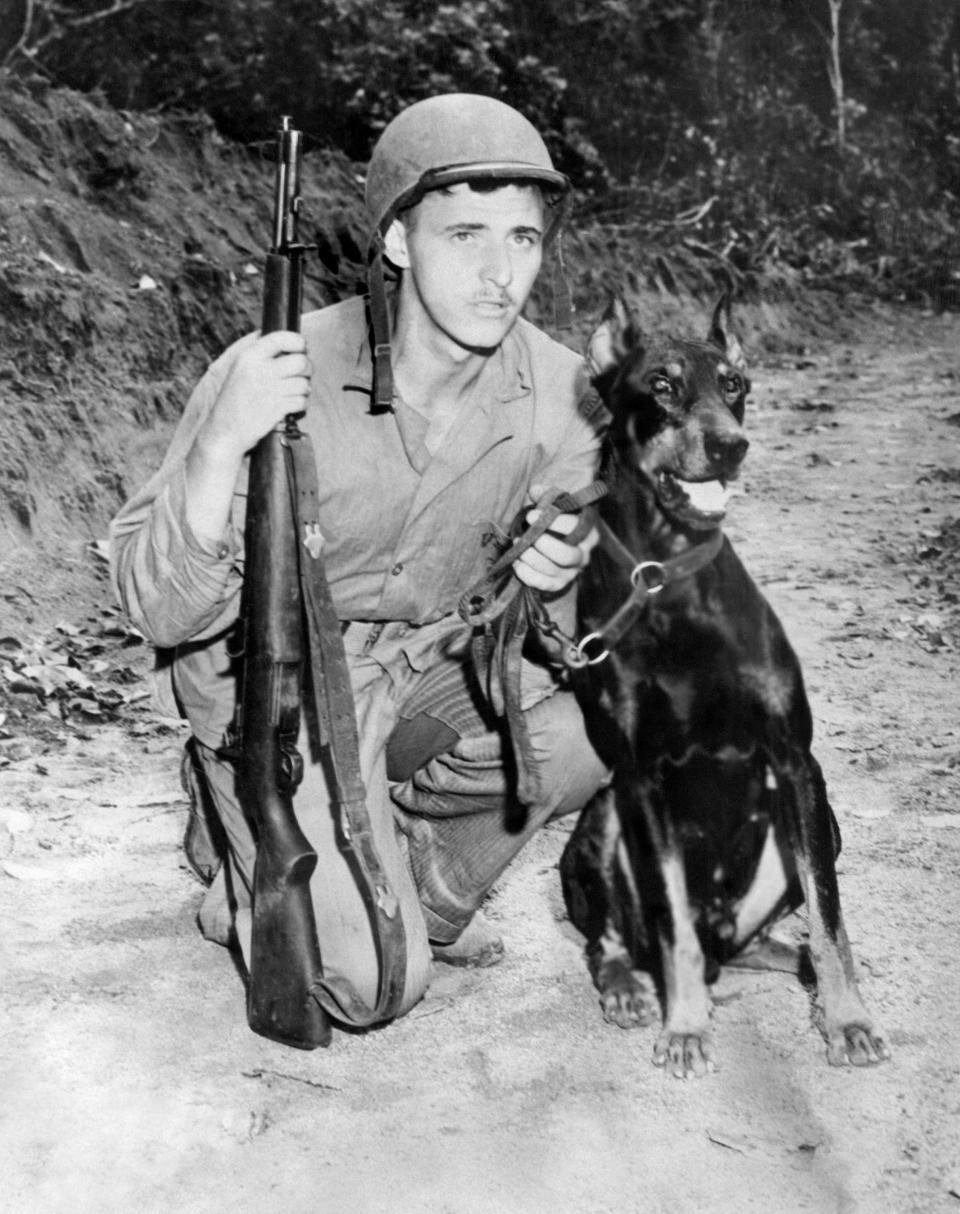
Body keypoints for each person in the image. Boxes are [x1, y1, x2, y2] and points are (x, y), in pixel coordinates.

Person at [109, 93, 608, 1028]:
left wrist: (570, 568)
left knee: (618, 715)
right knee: (367, 990)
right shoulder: (273, 369)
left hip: (421, 681)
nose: (501, 274)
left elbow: (609, 590)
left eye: (524, 240)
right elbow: (156, 611)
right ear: (398, 244)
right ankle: (236, 835)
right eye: (465, 235)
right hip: (280, 699)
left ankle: (430, 884)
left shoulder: (565, 393)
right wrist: (221, 446)